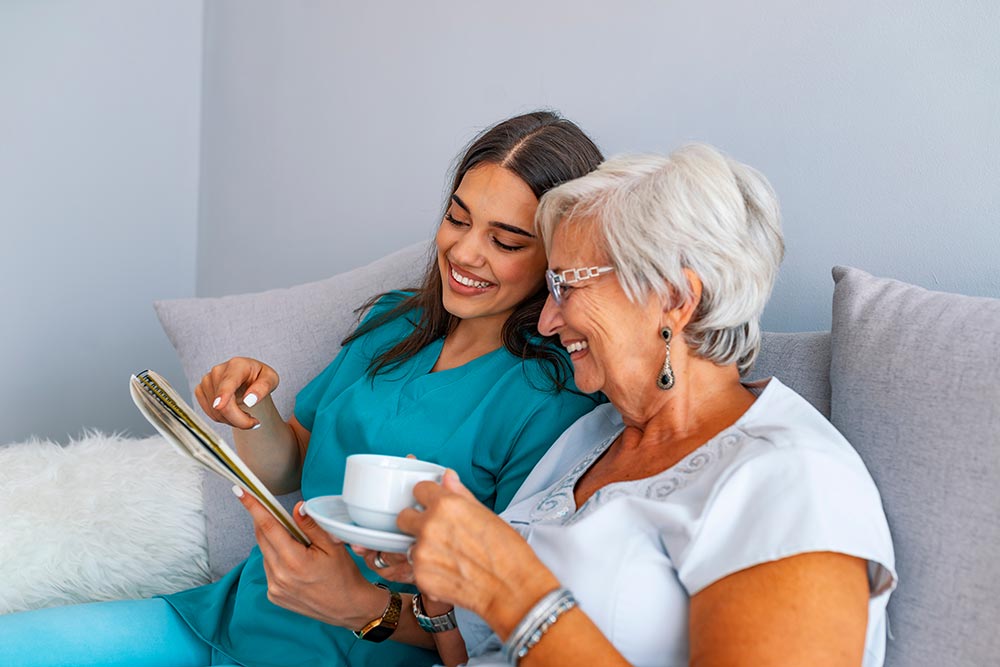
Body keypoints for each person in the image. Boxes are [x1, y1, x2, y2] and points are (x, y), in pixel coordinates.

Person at [0, 111, 604, 667]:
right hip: (239, 613)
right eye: (457, 217)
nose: (465, 252)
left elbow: (496, 624)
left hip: (363, 651)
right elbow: (290, 467)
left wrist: (362, 603)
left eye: (506, 240)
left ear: (559, 256)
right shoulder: (395, 324)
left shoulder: (554, 397)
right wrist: (251, 409)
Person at [394, 144, 898, 666]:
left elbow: (521, 612)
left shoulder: (792, 480)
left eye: (565, 286)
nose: (546, 322)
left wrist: (515, 595)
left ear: (676, 298)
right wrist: (444, 585)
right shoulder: (591, 436)